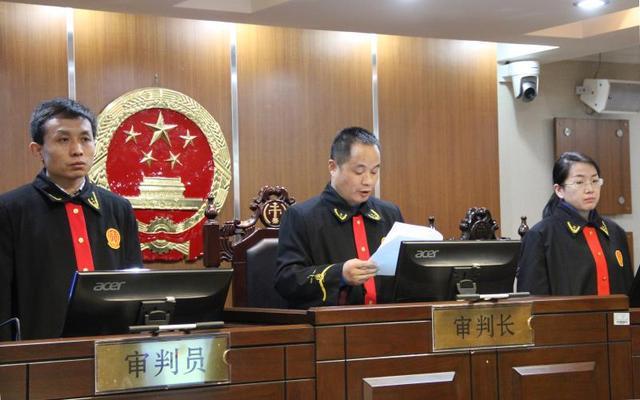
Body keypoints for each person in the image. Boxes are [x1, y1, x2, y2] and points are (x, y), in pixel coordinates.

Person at [0, 98, 142, 340]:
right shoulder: (10, 209)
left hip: (111, 346)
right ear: (37, 150)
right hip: (40, 350)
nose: (77, 150)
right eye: (63, 140)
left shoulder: (118, 208)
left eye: (85, 139)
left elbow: (135, 287)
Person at [274, 126, 403, 308]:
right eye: (359, 171)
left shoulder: (390, 214)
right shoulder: (301, 217)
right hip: (332, 322)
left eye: (374, 172)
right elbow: (287, 281)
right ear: (333, 167)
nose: (368, 181)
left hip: (390, 319)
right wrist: (339, 274)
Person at [517, 151, 633, 295]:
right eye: (579, 182)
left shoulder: (616, 232)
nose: (590, 189)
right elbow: (531, 301)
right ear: (559, 190)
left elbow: (629, 295)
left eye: (595, 181)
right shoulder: (540, 236)